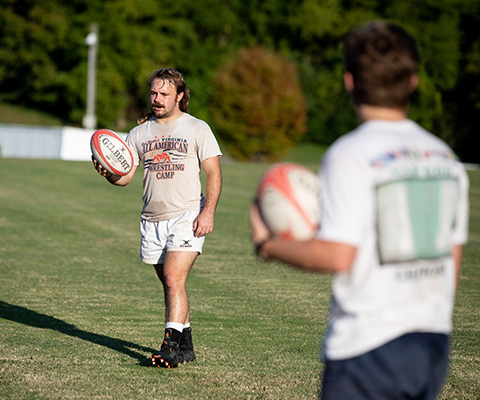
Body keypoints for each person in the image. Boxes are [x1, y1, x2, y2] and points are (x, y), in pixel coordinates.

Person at [250, 21, 469, 399]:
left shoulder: (349, 155)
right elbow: (452, 257)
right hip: (431, 344)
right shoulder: (444, 156)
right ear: (413, 81)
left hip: (370, 347)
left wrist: (268, 245)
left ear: (349, 81)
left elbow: (337, 254)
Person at [93, 68, 223, 368]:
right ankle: (186, 345)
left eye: (164, 94)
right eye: (153, 93)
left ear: (179, 96)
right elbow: (126, 177)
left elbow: (214, 172)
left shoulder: (197, 128)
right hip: (152, 220)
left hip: (188, 214)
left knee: (173, 278)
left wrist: (208, 212)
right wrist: (109, 174)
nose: (157, 99)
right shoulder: (139, 133)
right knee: (170, 284)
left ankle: (168, 349)